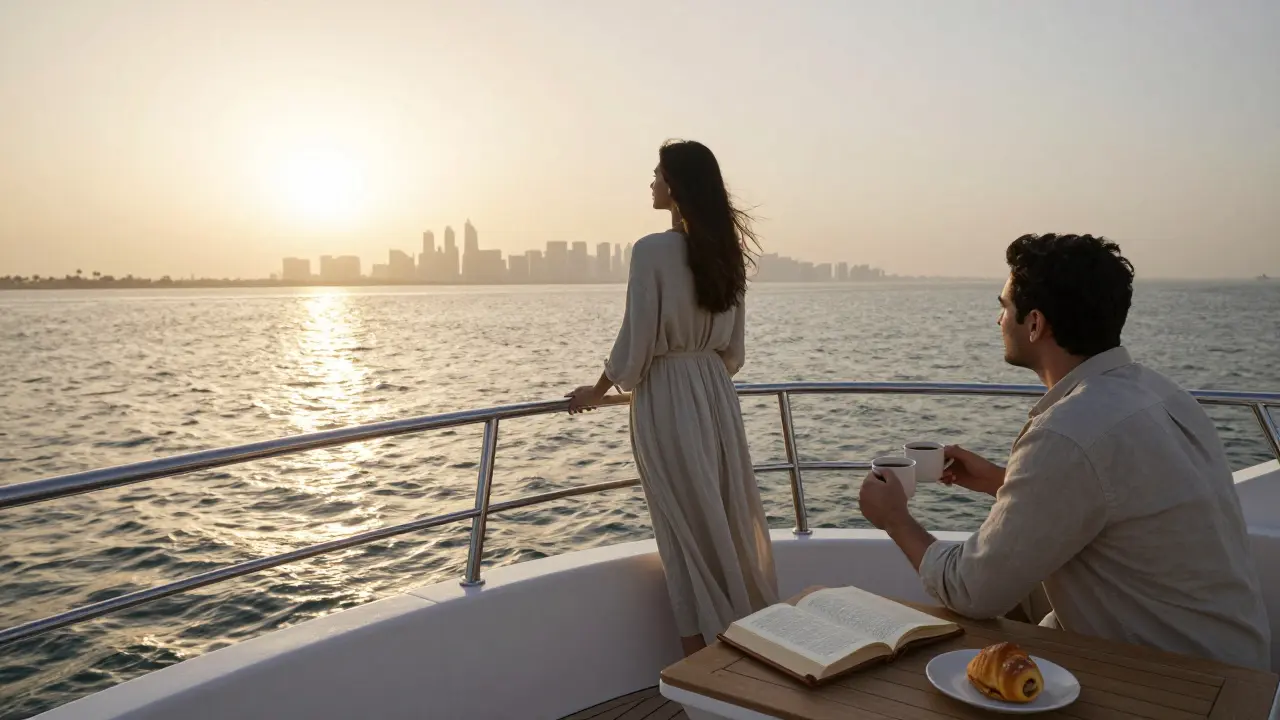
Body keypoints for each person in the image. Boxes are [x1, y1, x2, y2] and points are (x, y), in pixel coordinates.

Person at [858, 233, 1271, 670]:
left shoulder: (1068, 431)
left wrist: (894, 517)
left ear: (1034, 324)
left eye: (1003, 307)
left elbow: (971, 590)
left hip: (1183, 685)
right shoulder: (1163, 394)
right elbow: (1123, 499)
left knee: (949, 650)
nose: (998, 320)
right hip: (1235, 664)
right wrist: (1003, 481)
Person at [565, 139, 779, 657]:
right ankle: (753, 645)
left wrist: (595, 392)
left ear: (677, 186)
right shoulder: (727, 254)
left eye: (658, 173)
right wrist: (702, 369)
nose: (652, 182)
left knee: (682, 533)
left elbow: (635, 343)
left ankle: (704, 667)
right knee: (725, 517)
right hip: (715, 396)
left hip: (667, 397)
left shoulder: (651, 251)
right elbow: (734, 351)